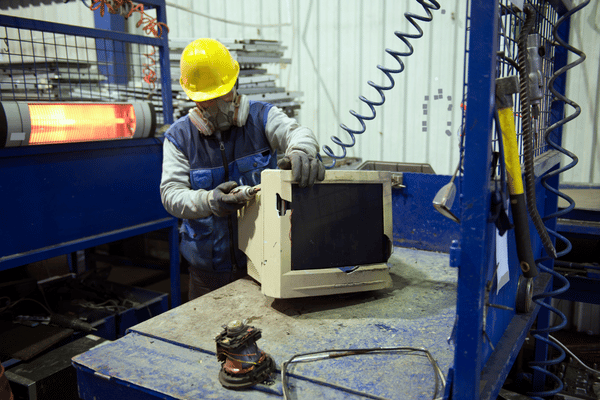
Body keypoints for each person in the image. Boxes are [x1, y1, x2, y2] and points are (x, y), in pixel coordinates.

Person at [160, 38, 325, 300]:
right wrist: (210, 200)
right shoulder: (180, 137)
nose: (219, 106)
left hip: (265, 264)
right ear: (196, 101)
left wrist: (302, 150)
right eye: (209, 100)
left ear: (235, 85)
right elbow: (171, 194)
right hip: (207, 273)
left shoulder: (261, 117)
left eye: (224, 94)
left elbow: (297, 133)